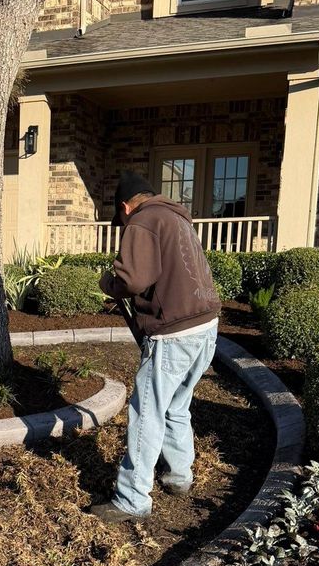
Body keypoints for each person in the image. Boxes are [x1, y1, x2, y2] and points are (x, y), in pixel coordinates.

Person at [90, 170, 221, 524]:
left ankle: (132, 498)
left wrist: (108, 282)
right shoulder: (176, 218)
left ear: (124, 207)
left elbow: (133, 279)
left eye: (119, 219)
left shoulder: (143, 222)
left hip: (174, 334)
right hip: (206, 327)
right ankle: (180, 477)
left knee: (146, 412)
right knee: (176, 406)